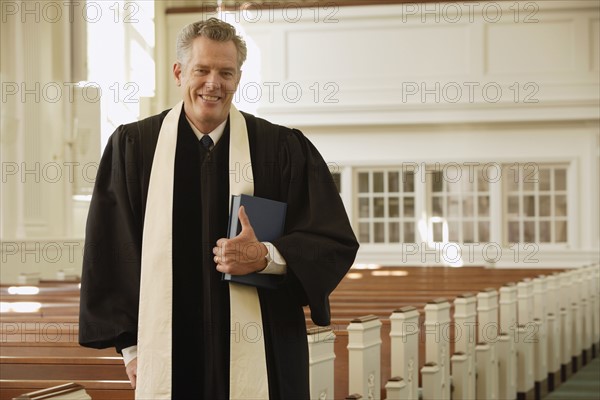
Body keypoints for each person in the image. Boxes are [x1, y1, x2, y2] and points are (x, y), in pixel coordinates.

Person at [78, 18, 359, 399]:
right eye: (202, 70)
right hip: (166, 353)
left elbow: (331, 240)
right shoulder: (135, 148)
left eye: (226, 72)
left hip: (265, 350)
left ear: (238, 78)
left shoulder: (280, 149)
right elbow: (110, 252)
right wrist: (132, 349)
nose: (214, 83)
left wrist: (266, 257)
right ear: (179, 72)